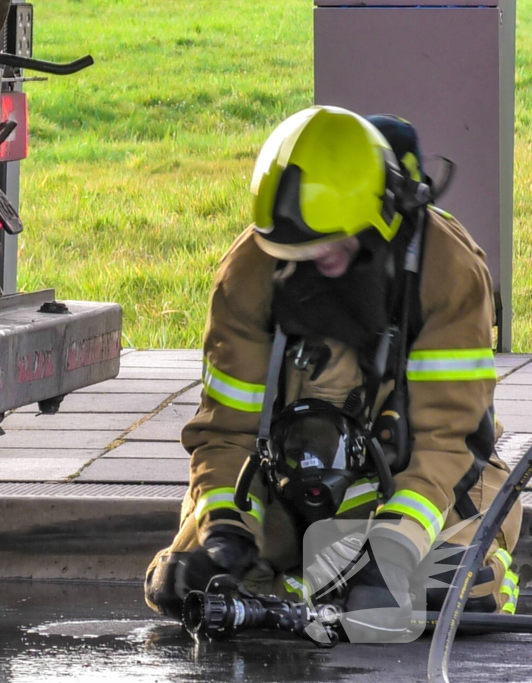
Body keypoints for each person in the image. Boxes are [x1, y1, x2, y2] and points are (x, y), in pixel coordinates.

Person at [144, 105, 521, 638]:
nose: (304, 266)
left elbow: (448, 438)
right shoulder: (251, 269)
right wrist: (225, 528)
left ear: (380, 218)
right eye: (290, 254)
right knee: (185, 581)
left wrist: (394, 544)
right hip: (290, 483)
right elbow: (226, 433)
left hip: (427, 482)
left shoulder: (446, 269)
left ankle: (462, 579)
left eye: (325, 250)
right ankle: (305, 584)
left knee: (452, 589)